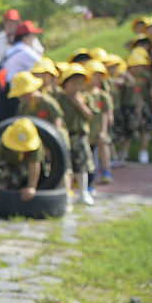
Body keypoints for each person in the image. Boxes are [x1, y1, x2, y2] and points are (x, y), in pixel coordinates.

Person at [57, 63, 96, 205]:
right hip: (65, 136)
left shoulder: (85, 98)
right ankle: (67, 193)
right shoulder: (60, 98)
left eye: (80, 83)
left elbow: (90, 116)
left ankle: (84, 191)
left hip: (79, 135)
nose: (76, 87)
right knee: (67, 166)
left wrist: (79, 103)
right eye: (73, 83)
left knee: (82, 165)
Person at [116, 48, 152, 164]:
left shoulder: (146, 76)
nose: (139, 68)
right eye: (135, 65)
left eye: (141, 65)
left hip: (144, 105)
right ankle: (123, 153)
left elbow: (151, 91)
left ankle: (143, 152)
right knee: (126, 131)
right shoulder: (125, 76)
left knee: (145, 128)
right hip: (127, 106)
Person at [0, 118, 42, 202]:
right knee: (7, 179)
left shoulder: (35, 146)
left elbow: (34, 165)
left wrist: (31, 187)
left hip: (27, 166)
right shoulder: (2, 143)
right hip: (10, 164)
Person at [84, 59, 115, 186]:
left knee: (103, 146)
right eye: (94, 76)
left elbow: (105, 114)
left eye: (99, 77)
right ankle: (90, 179)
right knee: (90, 155)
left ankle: (106, 170)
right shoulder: (83, 95)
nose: (96, 79)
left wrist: (103, 131)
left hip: (98, 129)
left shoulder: (103, 95)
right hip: (87, 130)